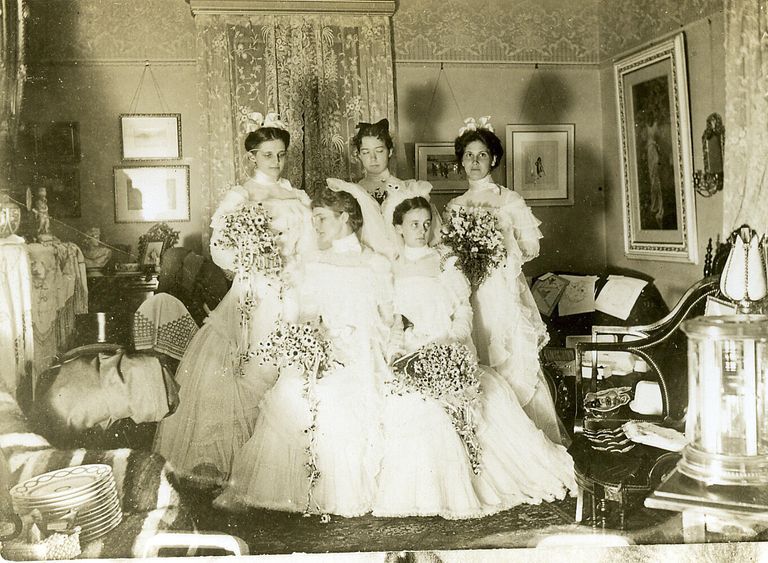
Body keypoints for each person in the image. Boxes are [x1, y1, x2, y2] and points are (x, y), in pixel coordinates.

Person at [373, 194, 575, 519]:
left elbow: (463, 309)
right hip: (411, 353)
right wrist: (401, 348)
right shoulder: (390, 269)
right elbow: (392, 320)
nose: (422, 230)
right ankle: (420, 492)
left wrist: (450, 344)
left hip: (449, 348)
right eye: (414, 225)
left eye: (426, 224)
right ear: (398, 228)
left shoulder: (446, 263)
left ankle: (464, 485)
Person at [215, 179, 394, 517]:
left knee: (349, 399)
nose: (316, 226)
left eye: (323, 218)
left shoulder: (375, 265)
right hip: (323, 352)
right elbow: (303, 314)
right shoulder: (312, 264)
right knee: (293, 395)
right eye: (314, 219)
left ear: (345, 217)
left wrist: (359, 344)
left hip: (363, 353)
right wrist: (312, 345)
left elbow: (387, 317)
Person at [153, 116, 315, 486]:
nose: (276, 162)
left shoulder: (298, 196)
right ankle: (241, 460)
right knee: (252, 365)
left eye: (281, 155)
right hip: (256, 290)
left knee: (293, 363)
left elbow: (311, 244)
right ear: (252, 157)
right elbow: (220, 248)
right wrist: (254, 259)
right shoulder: (240, 197)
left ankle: (281, 461)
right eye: (268, 155)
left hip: (296, 286)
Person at [445, 118, 565, 445]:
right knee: (476, 354)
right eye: (468, 156)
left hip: (500, 289)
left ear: (493, 159)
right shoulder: (455, 206)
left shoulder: (510, 200)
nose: (473, 162)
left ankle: (527, 441)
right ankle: (491, 445)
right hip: (469, 292)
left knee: (510, 356)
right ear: (461, 160)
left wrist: (497, 247)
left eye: (481, 155)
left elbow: (531, 247)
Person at [352, 119, 442, 246]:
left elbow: (431, 236)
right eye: (366, 152)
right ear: (359, 155)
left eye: (379, 151)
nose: (373, 158)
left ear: (390, 151)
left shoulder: (408, 190)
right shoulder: (353, 192)